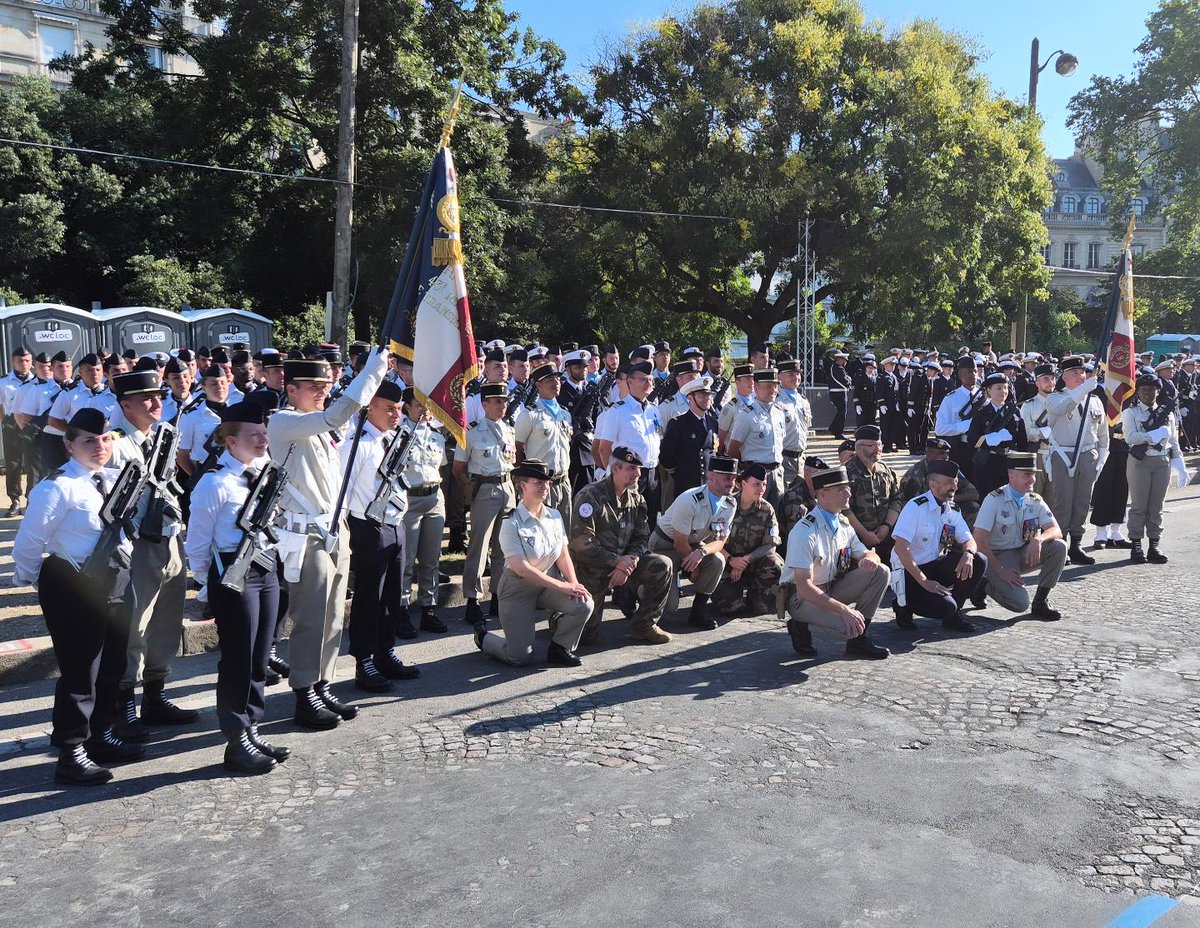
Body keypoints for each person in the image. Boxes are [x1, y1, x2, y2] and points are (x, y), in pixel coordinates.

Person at [12, 408, 140, 785]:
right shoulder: (57, 487)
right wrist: (49, 583)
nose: (99, 446)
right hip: (73, 581)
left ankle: (100, 736)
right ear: (69, 445)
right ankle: (70, 751)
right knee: (81, 671)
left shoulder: (114, 479)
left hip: (115, 579)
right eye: (88, 440)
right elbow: (28, 546)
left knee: (113, 664)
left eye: (104, 439)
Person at [268, 349, 390, 729]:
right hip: (304, 535)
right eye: (311, 387)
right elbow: (337, 414)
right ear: (291, 389)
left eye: (324, 386)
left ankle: (323, 682)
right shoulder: (285, 422)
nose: (321, 392)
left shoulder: (316, 428)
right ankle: (303, 690)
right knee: (310, 617)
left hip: (333, 530)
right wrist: (373, 372)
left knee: (334, 616)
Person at [185, 402, 290, 774]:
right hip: (232, 572)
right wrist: (207, 586)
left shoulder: (264, 472)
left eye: (265, 434)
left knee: (261, 657)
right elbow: (197, 543)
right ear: (231, 441)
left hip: (265, 567)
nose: (263, 440)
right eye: (254, 435)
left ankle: (253, 726)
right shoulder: (215, 483)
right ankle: (236, 738)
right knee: (238, 660)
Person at [106, 369, 194, 741]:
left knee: (167, 624)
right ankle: (124, 703)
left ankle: (156, 694)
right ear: (125, 403)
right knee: (135, 626)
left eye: (158, 395)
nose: (156, 402)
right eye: (146, 398)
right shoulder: (114, 444)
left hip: (170, 539)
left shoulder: (160, 437)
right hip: (139, 544)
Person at [339, 379, 422, 693]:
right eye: (389, 408)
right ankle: (364, 660)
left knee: (391, 596)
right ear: (369, 405)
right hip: (369, 527)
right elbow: (343, 494)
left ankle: (385, 651)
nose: (396, 414)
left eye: (399, 409)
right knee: (368, 597)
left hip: (395, 524)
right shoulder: (357, 444)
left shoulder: (392, 439)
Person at [473, 459, 593, 666]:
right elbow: (522, 568)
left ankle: (560, 648)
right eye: (538, 482)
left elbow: (563, 554)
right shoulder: (511, 522)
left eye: (547, 482)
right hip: (518, 590)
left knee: (584, 603)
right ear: (522, 486)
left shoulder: (554, 516)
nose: (545, 487)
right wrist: (562, 586)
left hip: (547, 584)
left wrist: (573, 584)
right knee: (519, 658)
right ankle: (484, 638)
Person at [781, 465, 890, 660]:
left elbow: (869, 554)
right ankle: (800, 624)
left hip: (830, 588)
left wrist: (869, 559)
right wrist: (844, 610)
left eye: (847, 487)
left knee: (881, 572)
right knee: (849, 628)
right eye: (841, 489)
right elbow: (804, 588)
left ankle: (858, 641)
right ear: (822, 494)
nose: (848, 493)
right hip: (802, 598)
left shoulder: (842, 524)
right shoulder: (805, 531)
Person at [569, 445, 675, 645]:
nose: (637, 474)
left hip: (623, 564)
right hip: (591, 568)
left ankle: (644, 625)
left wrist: (629, 563)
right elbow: (582, 544)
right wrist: (617, 562)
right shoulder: (590, 496)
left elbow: (641, 539)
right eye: (630, 469)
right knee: (585, 637)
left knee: (662, 564)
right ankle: (560, 617)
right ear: (614, 469)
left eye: (638, 469)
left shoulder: (637, 499)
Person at [890, 459, 986, 633]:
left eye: (955, 482)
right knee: (944, 607)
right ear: (933, 484)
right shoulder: (915, 507)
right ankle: (903, 605)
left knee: (979, 560)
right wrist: (925, 582)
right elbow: (900, 548)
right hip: (909, 572)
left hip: (933, 566)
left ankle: (953, 615)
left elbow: (969, 540)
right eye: (949, 482)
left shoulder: (952, 509)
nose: (954, 487)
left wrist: (968, 554)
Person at [970, 452, 1067, 620]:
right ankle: (984, 583)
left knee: (1059, 546)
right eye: (1026, 475)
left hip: (1022, 552)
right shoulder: (994, 500)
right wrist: (1000, 571)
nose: (1032, 480)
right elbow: (978, 539)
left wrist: (1039, 539)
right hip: (996, 557)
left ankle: (1040, 603)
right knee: (1019, 604)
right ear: (1011, 476)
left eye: (1033, 475)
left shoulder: (1035, 499)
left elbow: (1056, 530)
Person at [649, 454, 738, 630]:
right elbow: (679, 543)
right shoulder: (690, 500)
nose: (732, 483)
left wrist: (702, 552)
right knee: (671, 606)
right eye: (727, 478)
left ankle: (699, 611)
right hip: (665, 546)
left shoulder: (730, 503)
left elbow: (720, 541)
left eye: (734, 478)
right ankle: (634, 589)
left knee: (717, 561)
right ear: (711, 476)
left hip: (694, 546)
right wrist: (695, 569)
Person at [455, 382, 517, 623]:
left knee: (504, 547)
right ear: (485, 404)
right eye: (498, 401)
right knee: (479, 547)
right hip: (484, 489)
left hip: (507, 488)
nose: (503, 406)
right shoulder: (471, 432)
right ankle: (472, 598)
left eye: (505, 401)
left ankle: (498, 596)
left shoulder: (509, 429)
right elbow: (458, 468)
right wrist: (471, 489)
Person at [1041, 357, 1109, 564]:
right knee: (1063, 502)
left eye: (1083, 373)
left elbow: (1103, 432)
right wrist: (1083, 391)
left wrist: (1103, 455)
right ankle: (1060, 545)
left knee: (1082, 501)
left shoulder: (1095, 400)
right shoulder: (1054, 398)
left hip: (1088, 454)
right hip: (1064, 455)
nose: (1081, 377)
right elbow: (1062, 409)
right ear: (1064, 377)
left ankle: (1076, 545)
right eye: (1075, 373)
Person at [1121, 373, 1189, 564]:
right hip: (1140, 462)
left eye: (1151, 390)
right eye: (1143, 390)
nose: (1147, 394)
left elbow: (1173, 440)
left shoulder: (1166, 413)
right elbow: (1131, 437)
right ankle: (1136, 545)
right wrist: (1152, 435)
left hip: (1162, 462)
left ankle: (1153, 545)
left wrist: (1180, 463)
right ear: (1138, 392)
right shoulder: (1131, 413)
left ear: (1158, 392)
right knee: (1139, 505)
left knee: (1156, 507)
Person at [398, 388, 449, 635]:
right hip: (409, 500)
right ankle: (402, 609)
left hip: (433, 497)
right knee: (406, 560)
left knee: (431, 559)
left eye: (427, 405)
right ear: (406, 407)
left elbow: (440, 467)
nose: (425, 410)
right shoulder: (398, 436)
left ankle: (429, 608)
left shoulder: (436, 437)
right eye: (419, 405)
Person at [593, 360, 664, 524]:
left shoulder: (654, 411)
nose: (648, 383)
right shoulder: (618, 411)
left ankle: (645, 549)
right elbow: (603, 449)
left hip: (652, 473)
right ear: (629, 382)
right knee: (626, 519)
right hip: (627, 473)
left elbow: (658, 440)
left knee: (650, 517)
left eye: (650, 380)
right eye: (643, 380)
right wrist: (615, 475)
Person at [712, 462, 784, 616]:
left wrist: (746, 560)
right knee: (731, 608)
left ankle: (756, 594)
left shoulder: (767, 509)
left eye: (764, 484)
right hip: (726, 563)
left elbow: (771, 545)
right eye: (756, 484)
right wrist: (732, 560)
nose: (762, 489)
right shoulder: (725, 505)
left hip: (752, 564)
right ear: (743, 484)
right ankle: (732, 595)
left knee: (775, 564)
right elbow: (712, 539)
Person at [513, 361, 573, 530]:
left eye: (558, 380)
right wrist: (525, 479)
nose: (556, 384)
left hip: (563, 481)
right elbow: (516, 448)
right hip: (539, 483)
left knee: (562, 533)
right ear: (538, 385)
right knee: (539, 531)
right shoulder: (530, 414)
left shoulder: (565, 414)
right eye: (550, 381)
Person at [726, 368, 791, 507]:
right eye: (768, 386)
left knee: (777, 513)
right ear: (756, 387)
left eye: (775, 385)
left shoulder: (779, 412)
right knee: (753, 512)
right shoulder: (747, 414)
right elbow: (733, 449)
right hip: (755, 473)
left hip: (777, 472)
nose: (773, 390)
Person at [658, 377, 718, 508]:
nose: (707, 398)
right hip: (686, 485)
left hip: (709, 485)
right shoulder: (678, 423)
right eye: (702, 395)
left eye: (709, 394)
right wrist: (679, 473)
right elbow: (666, 455)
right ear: (690, 398)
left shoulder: (713, 422)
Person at [844, 425, 902, 561]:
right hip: (855, 539)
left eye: (879, 445)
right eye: (871, 446)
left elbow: (896, 499)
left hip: (885, 535)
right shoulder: (846, 474)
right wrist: (864, 534)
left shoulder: (885, 470)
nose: (877, 449)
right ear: (858, 448)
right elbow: (843, 509)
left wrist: (886, 526)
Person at [965, 372, 1027, 496]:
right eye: (998, 388)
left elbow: (1022, 440)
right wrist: (988, 439)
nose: (1003, 391)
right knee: (987, 500)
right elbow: (972, 439)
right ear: (989, 391)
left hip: (1009, 464)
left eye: (1005, 388)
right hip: (987, 463)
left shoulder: (1014, 412)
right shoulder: (981, 412)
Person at [899, 437, 981, 523]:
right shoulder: (915, 475)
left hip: (944, 507)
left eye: (947, 453)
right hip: (920, 513)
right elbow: (914, 505)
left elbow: (974, 494)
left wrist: (950, 499)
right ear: (928, 453)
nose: (946, 457)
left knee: (973, 507)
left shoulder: (950, 469)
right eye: (941, 453)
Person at [0, 346, 35, 515]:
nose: (24, 364)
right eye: (20, 361)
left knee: (31, 464)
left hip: (30, 426)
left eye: (28, 360)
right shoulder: (4, 382)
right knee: (13, 464)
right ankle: (14, 500)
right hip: (11, 425)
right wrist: (5, 422)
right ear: (13, 362)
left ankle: (31, 500)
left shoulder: (37, 381)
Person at [935, 356, 983, 478]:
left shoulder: (985, 396)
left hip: (982, 449)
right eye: (969, 371)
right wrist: (963, 426)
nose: (974, 375)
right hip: (961, 449)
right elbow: (939, 429)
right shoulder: (951, 399)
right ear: (960, 375)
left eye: (975, 371)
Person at [775, 359, 811, 486]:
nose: (795, 377)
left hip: (801, 459)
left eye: (797, 374)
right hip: (784, 457)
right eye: (790, 374)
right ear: (780, 377)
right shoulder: (777, 402)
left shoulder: (803, 401)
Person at [827, 351, 852, 439]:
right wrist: (849, 380)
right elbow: (846, 381)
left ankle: (833, 428)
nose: (846, 362)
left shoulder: (835, 367)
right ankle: (838, 432)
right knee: (842, 413)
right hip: (839, 393)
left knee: (840, 412)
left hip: (838, 392)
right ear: (840, 359)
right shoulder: (838, 369)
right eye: (845, 360)